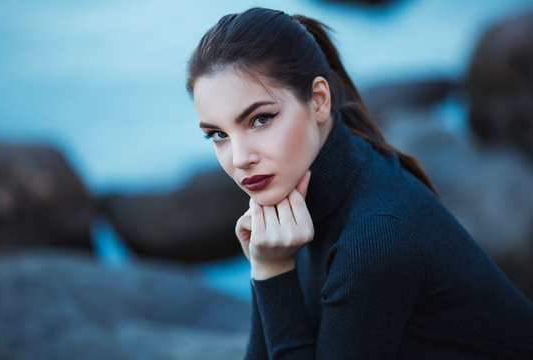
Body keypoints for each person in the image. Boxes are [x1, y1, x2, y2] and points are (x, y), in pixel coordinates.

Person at [186, 7, 533, 359]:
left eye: (261, 119)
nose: (239, 157)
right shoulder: (315, 191)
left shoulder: (374, 237)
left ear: (319, 101)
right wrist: (266, 269)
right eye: (217, 134)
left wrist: (273, 274)